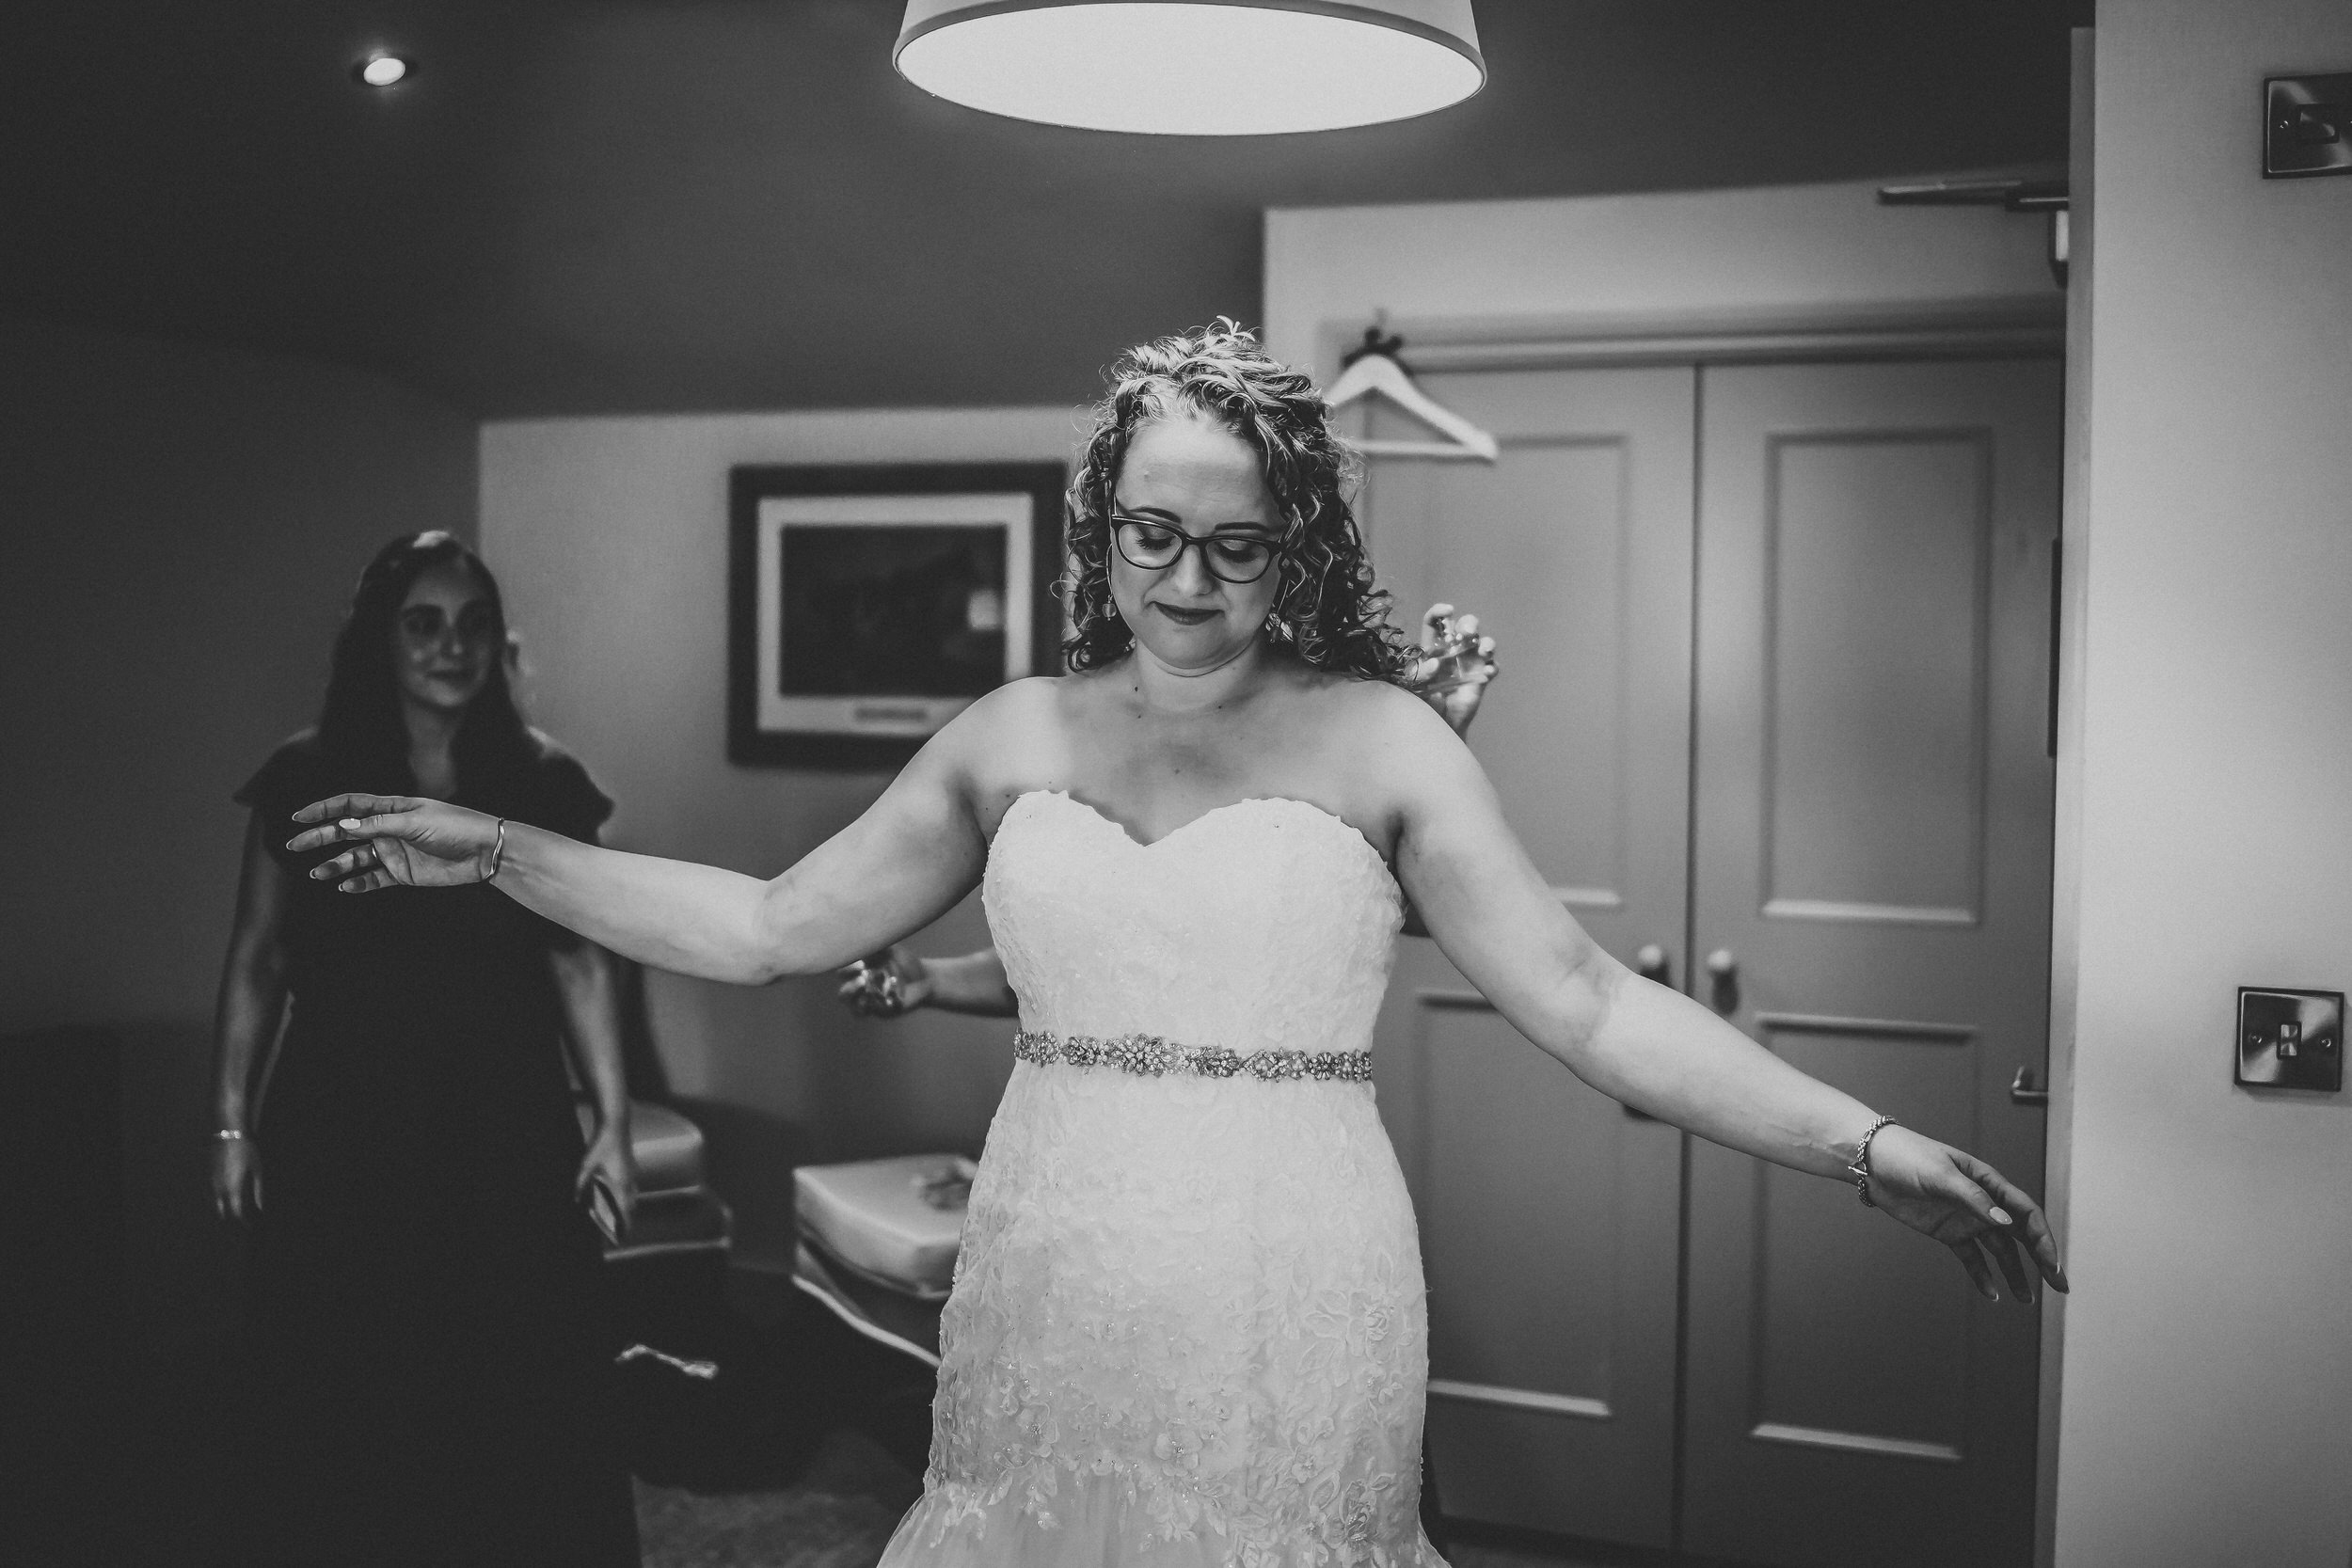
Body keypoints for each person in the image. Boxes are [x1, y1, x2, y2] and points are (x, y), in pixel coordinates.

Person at [285, 324, 2066, 1566]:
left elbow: (1591, 1004)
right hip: (1054, 1251)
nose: (1187, 574)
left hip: (1292, 1268)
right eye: (1152, 530)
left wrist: (1866, 1140)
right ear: (1102, 527)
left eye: (1231, 538)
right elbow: (762, 927)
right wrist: (500, 847)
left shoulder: (1388, 740)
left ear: (1289, 544)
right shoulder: (1010, 732)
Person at [211, 531, 642, 1568]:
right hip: (339, 1119)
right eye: (424, 622)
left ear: (500, 641)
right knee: (351, 1370)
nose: (453, 645)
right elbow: (260, 959)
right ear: (378, 639)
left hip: (504, 1121)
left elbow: (579, 963)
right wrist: (229, 1117)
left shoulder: (544, 780)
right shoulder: (308, 775)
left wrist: (614, 1120)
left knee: (513, 1375)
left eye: (474, 623)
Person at [836, 601, 1498, 1019]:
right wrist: (931, 979)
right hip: (1076, 1173)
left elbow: (1408, 915)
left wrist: (1435, 749)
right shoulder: (1068, 740)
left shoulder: (1348, 747)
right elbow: (1094, 970)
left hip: (1280, 1183)